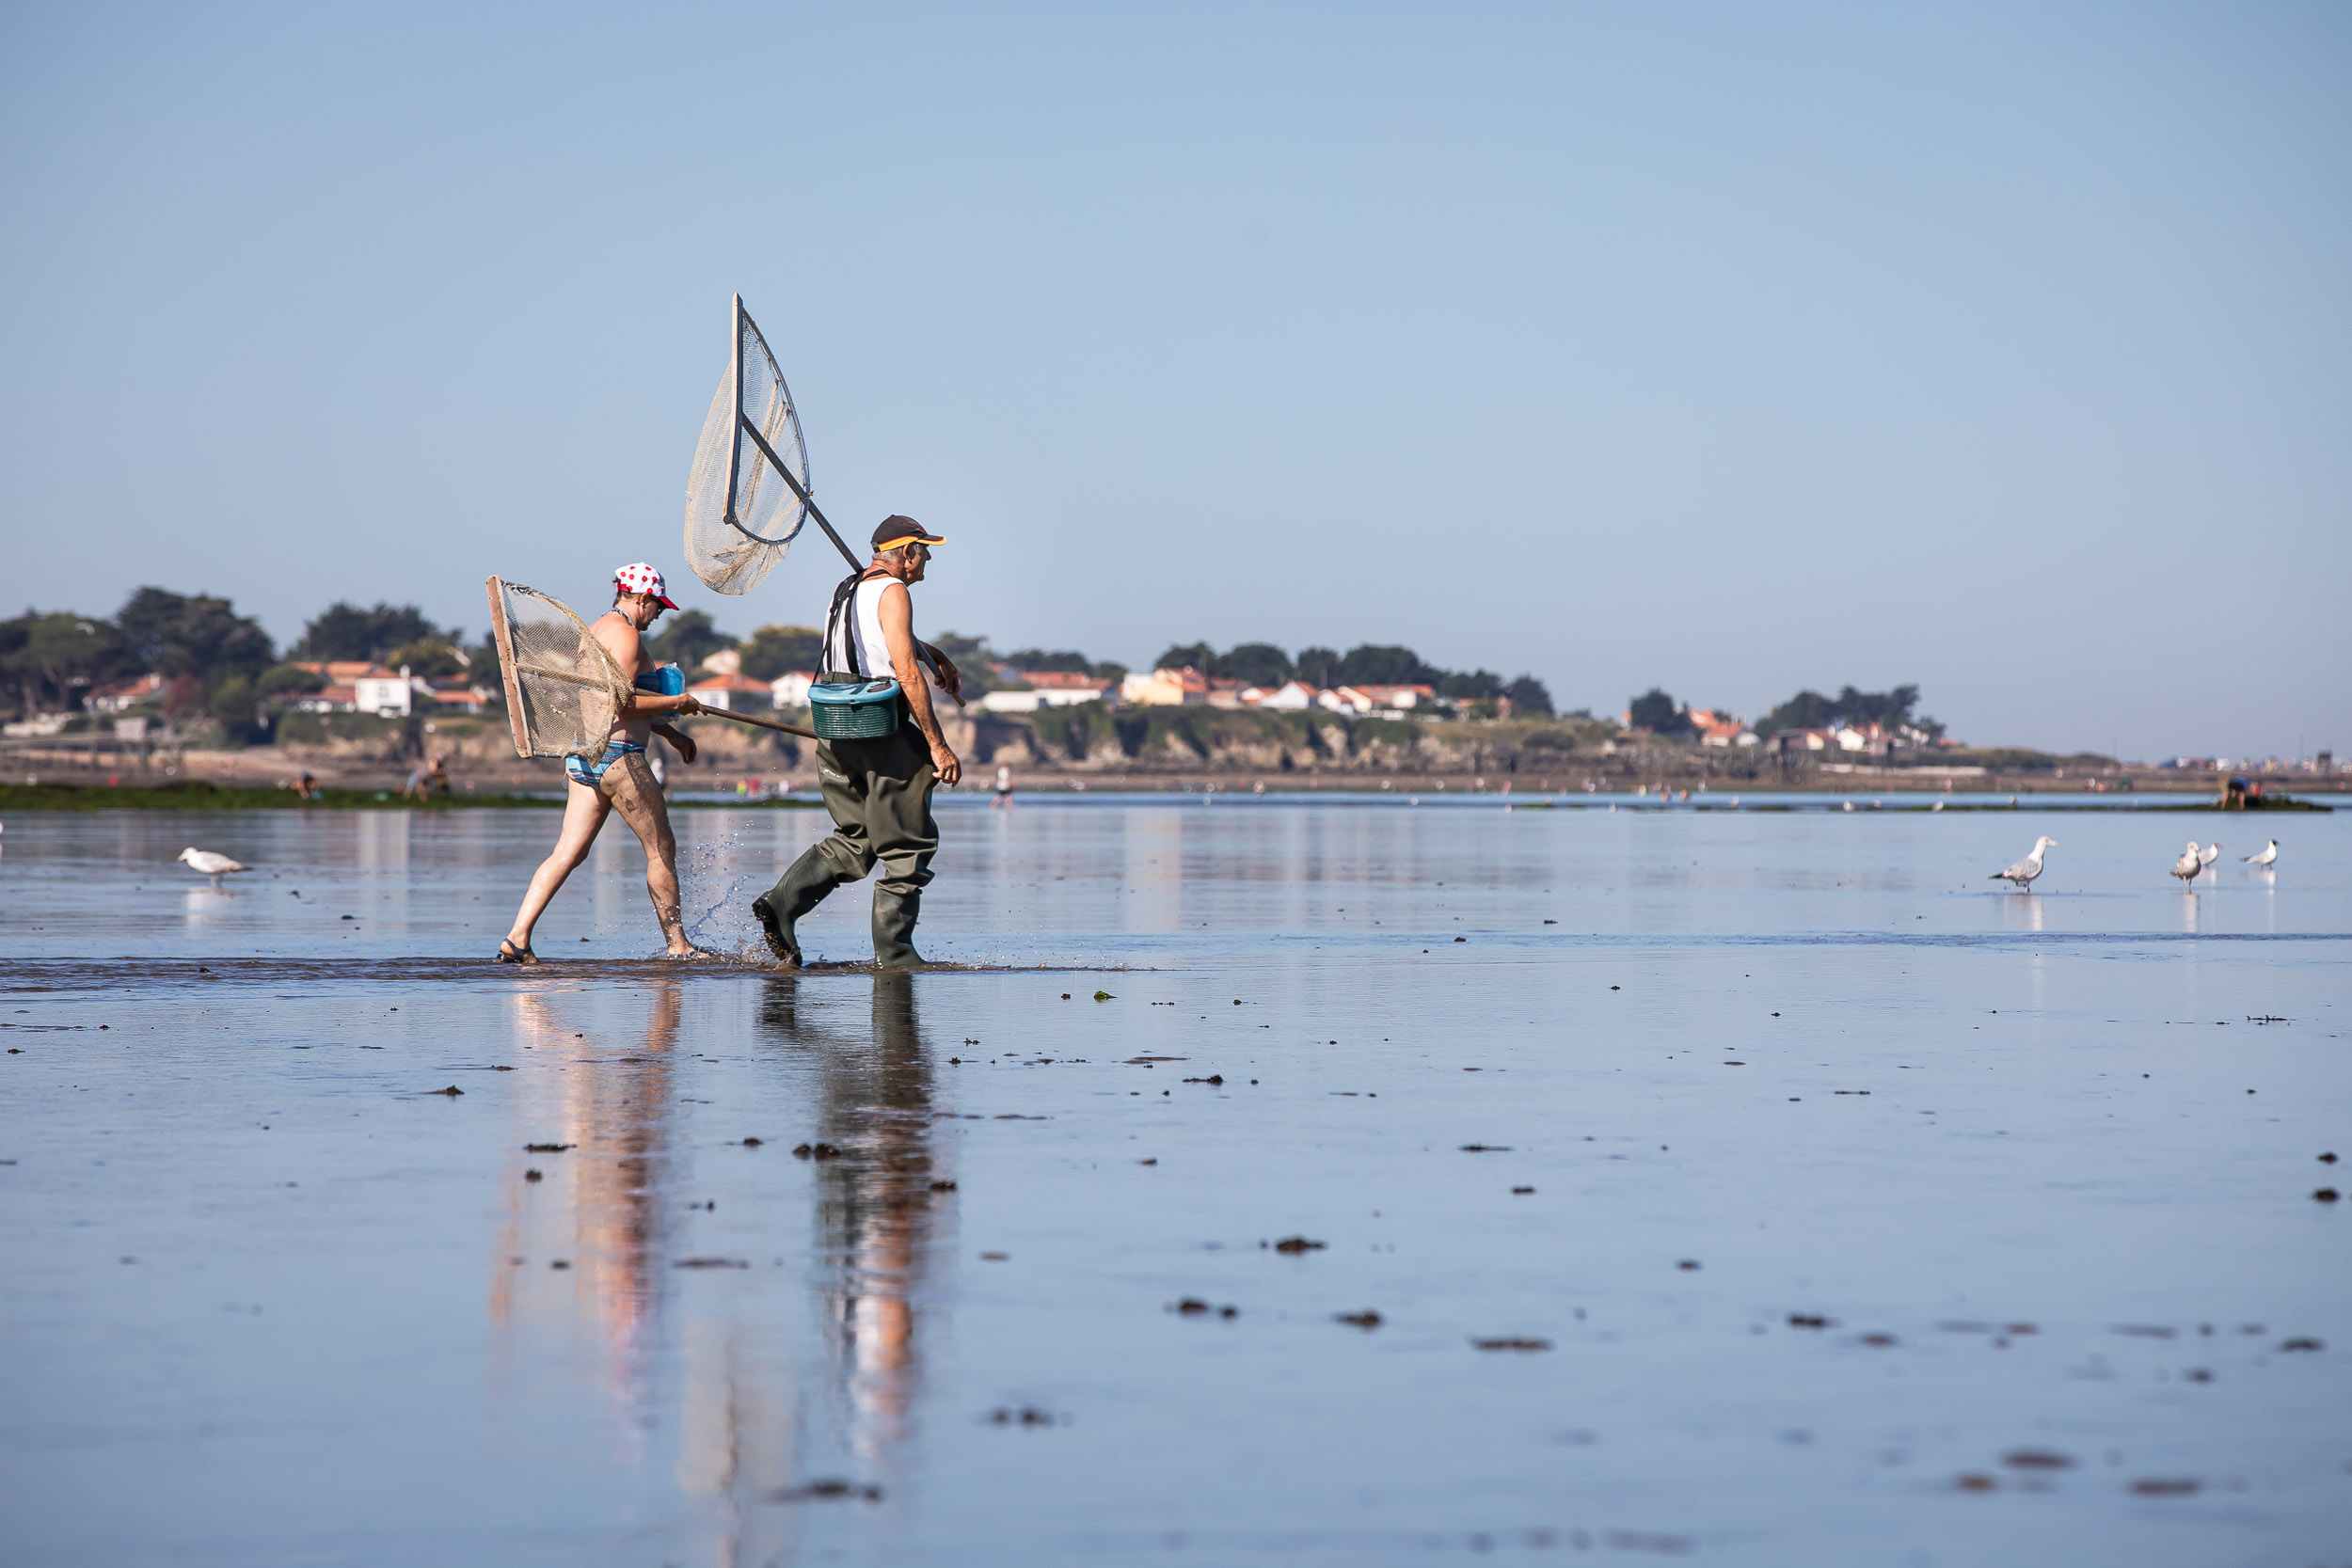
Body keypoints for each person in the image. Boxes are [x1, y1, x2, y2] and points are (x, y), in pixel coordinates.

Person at [752, 517, 961, 968]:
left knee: (858, 838)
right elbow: (905, 672)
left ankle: (781, 905)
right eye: (924, 550)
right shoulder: (895, 592)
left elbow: (876, 639)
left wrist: (937, 655)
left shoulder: (846, 588)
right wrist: (937, 745)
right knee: (906, 846)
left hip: (833, 723)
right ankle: (896, 957)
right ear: (906, 553)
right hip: (876, 723)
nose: (928, 559)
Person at [498, 562, 708, 963]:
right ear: (642, 598)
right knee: (661, 852)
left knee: (567, 853)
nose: (658, 615)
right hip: (619, 758)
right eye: (658, 607)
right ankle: (679, 946)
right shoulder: (627, 637)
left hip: (585, 755)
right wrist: (677, 702)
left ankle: (517, 937)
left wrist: (669, 731)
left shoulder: (597, 630)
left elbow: (603, 702)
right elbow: (623, 702)